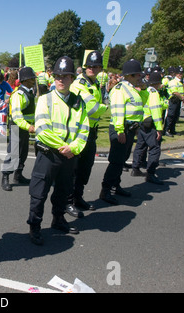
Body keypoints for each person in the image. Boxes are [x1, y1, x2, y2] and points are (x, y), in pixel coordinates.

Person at [27, 56, 90, 245]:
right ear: (53, 78)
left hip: (69, 154)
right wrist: (64, 147)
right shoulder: (45, 100)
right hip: (49, 154)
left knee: (63, 191)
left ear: (72, 79)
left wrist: (74, 147)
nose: (61, 80)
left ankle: (58, 219)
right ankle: (35, 226)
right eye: (57, 76)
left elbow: (84, 129)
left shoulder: (79, 102)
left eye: (65, 76)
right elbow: (42, 130)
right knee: (39, 193)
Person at [99, 59, 146, 205]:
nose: (140, 77)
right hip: (121, 128)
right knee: (116, 161)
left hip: (129, 129)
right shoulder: (120, 89)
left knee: (121, 160)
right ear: (130, 75)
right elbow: (118, 111)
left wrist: (143, 90)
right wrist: (120, 131)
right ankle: (105, 190)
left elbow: (142, 103)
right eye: (138, 74)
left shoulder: (132, 88)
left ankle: (115, 185)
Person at [67, 51, 108, 216]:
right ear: (85, 67)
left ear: (100, 68)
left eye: (96, 66)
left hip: (92, 131)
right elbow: (93, 109)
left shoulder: (95, 83)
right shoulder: (79, 84)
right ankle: (68, 202)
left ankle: (78, 197)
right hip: (79, 131)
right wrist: (104, 107)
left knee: (86, 168)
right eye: (89, 66)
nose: (92, 68)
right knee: (74, 169)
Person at [1, 67, 37, 191]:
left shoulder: (29, 92)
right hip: (17, 127)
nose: (34, 80)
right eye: (32, 78)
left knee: (23, 152)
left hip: (25, 128)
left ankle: (18, 175)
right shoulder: (19, 95)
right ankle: (5, 177)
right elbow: (17, 117)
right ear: (26, 80)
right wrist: (29, 126)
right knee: (13, 153)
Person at [131, 71, 165, 185]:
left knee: (140, 145)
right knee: (155, 148)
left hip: (142, 121)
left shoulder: (145, 90)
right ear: (158, 83)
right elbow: (156, 110)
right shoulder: (154, 92)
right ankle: (150, 173)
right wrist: (159, 128)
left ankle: (135, 168)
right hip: (150, 123)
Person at [164, 66, 184, 136]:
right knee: (171, 115)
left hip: (178, 100)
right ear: (176, 74)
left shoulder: (180, 82)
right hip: (173, 100)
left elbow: (181, 91)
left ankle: (172, 130)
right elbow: (175, 92)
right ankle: (166, 130)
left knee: (176, 116)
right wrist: (182, 97)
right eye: (179, 73)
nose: (180, 75)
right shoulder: (173, 82)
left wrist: (183, 97)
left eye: (181, 73)